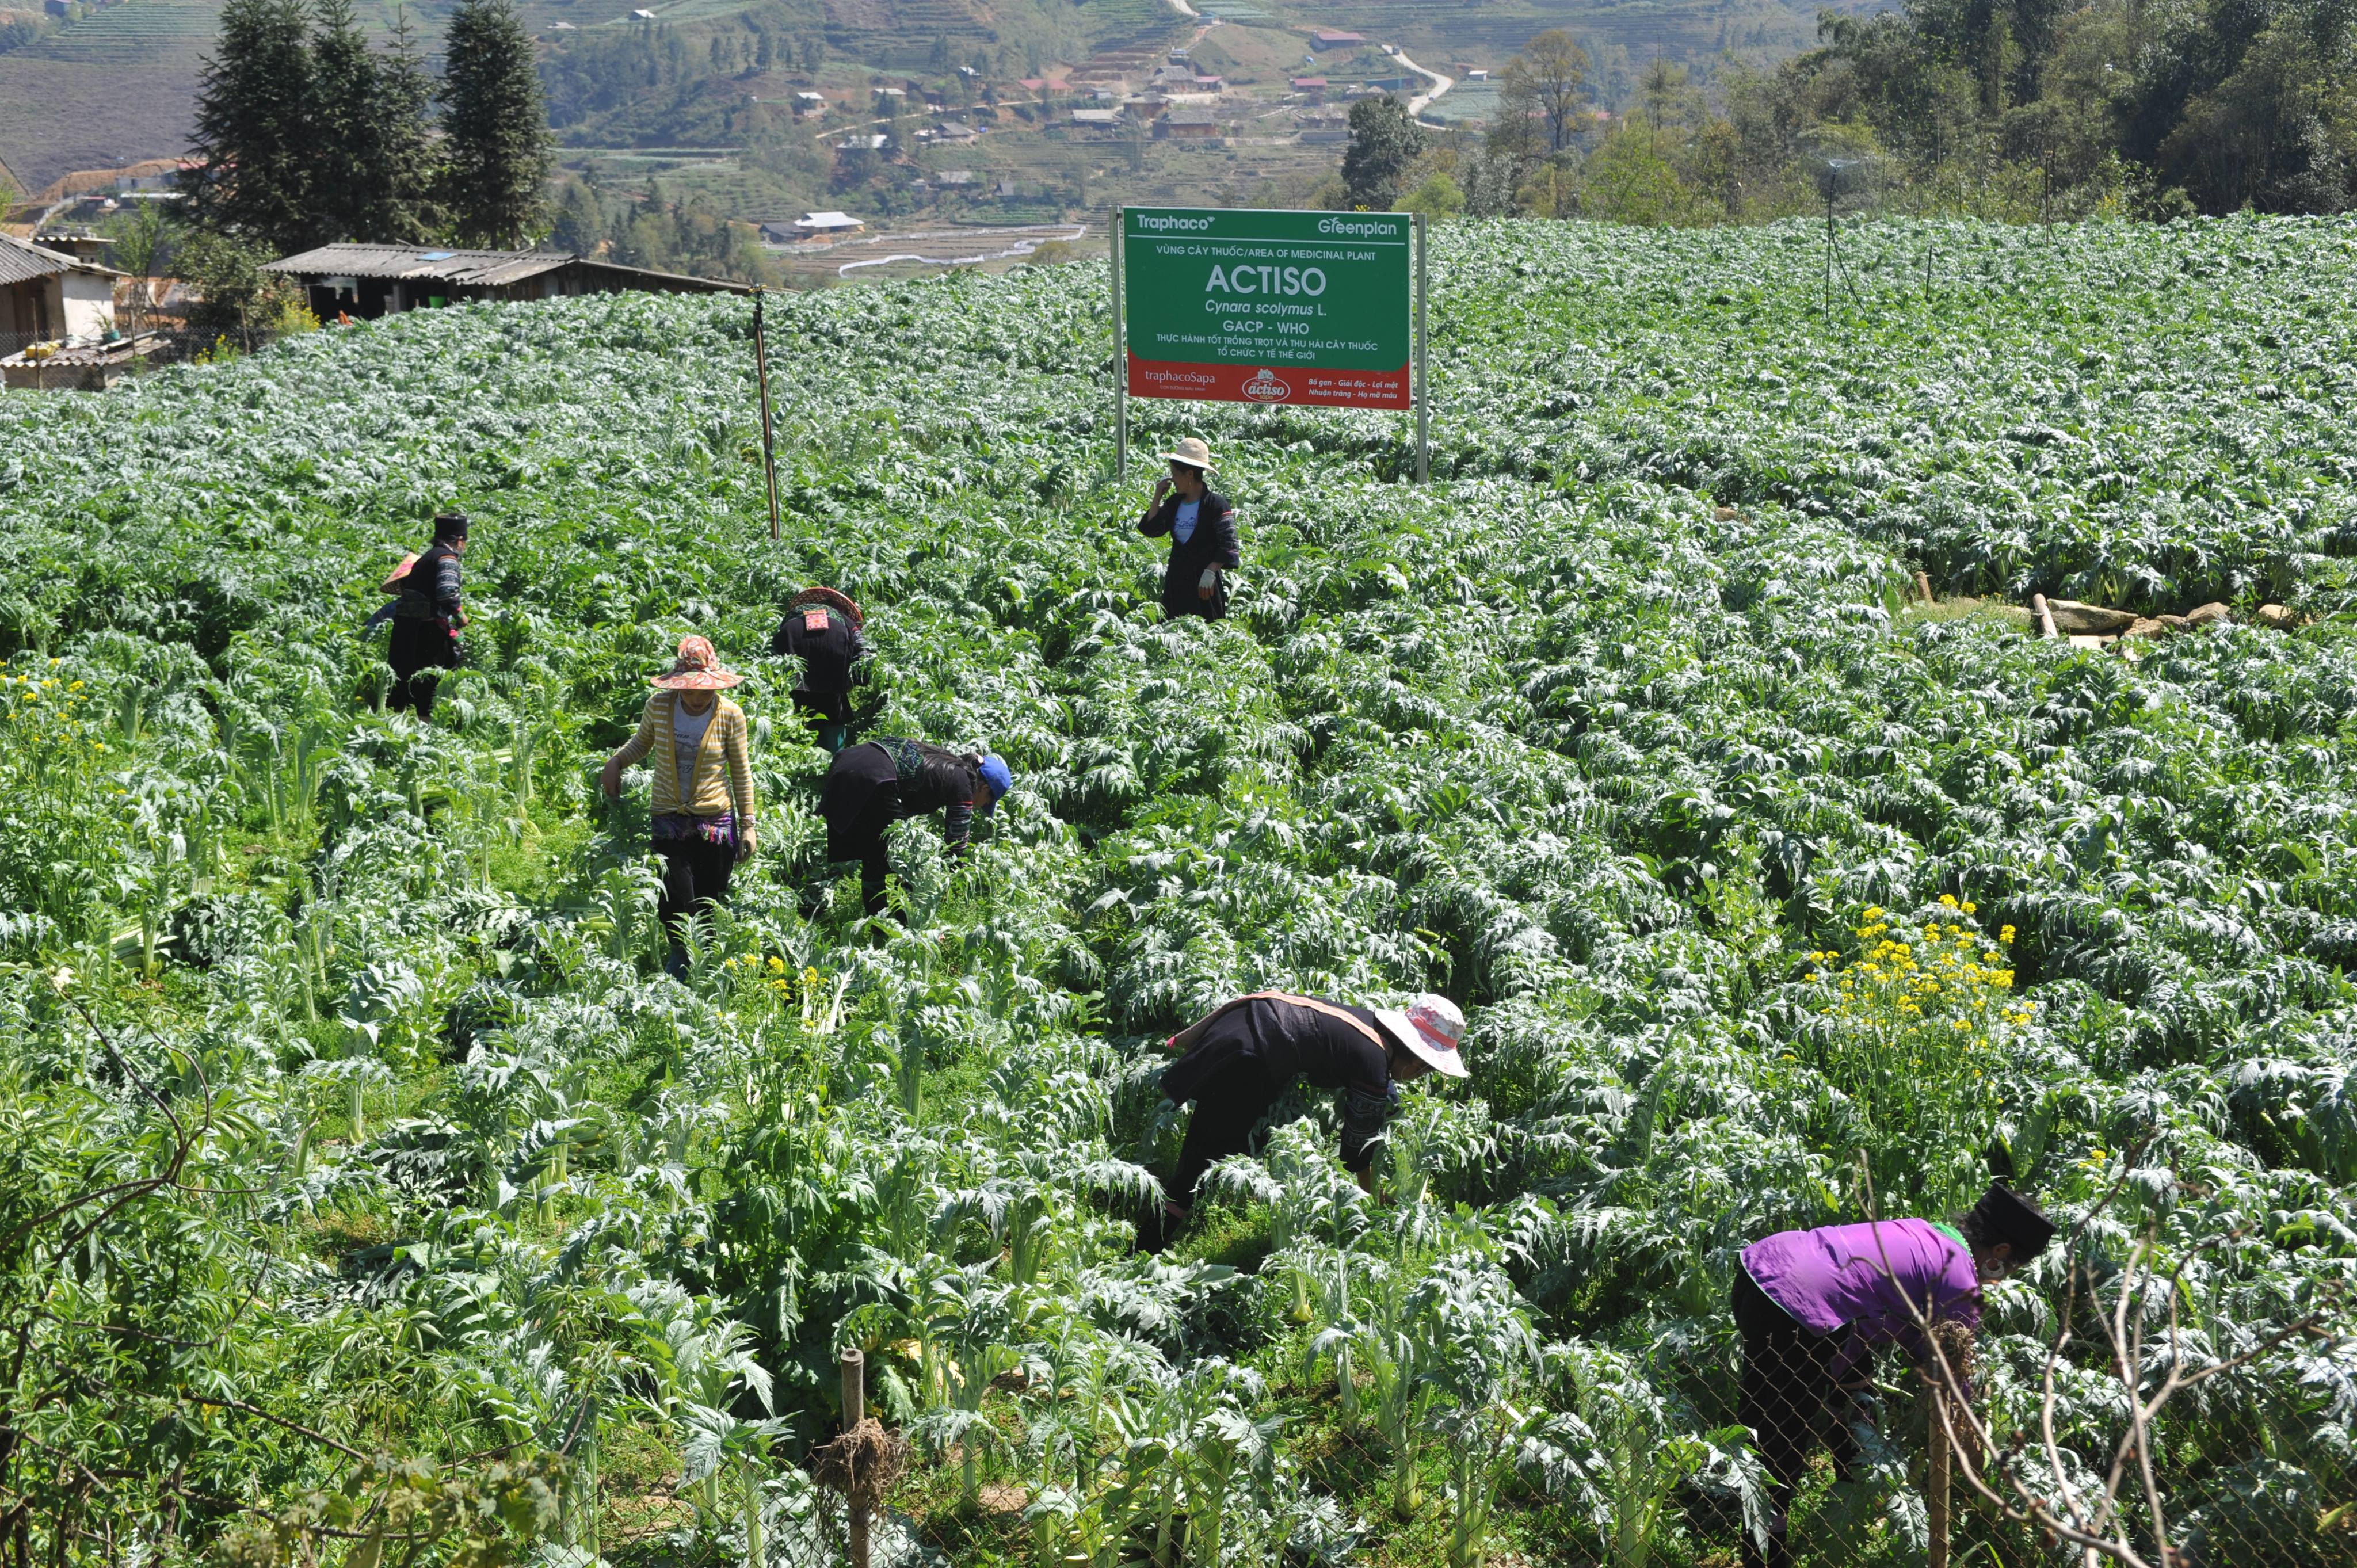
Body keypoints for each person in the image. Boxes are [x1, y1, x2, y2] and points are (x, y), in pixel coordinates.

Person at [1733, 1184, 2059, 1568]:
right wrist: (1975, 1456)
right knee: (1782, 1442)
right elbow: (1952, 1374)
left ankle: (1850, 1486)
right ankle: (1764, 1552)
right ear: (2000, 1254)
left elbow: (1880, 1317)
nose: (2003, 1278)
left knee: (1801, 1400)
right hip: (1798, 1304)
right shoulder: (1959, 1281)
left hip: (1760, 1268)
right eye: (2012, 1267)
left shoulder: (1929, 1232)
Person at [1145, 991, 1469, 1251]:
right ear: (1413, 1060)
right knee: (1202, 1158)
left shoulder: (1370, 1029)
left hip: (1250, 1025)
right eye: (1424, 1069)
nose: (1418, 1077)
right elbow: (1356, 1150)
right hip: (1249, 1053)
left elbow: (1382, 1087)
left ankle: (1178, 1220)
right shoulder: (1372, 1061)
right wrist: (1375, 1199)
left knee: (1223, 1144)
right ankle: (1144, 1251)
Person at [599, 636, 758, 978]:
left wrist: (748, 824)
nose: (698, 696)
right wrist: (616, 762)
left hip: (715, 820)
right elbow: (643, 742)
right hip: (668, 817)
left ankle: (707, 963)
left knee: (708, 896)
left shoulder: (730, 715)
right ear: (678, 686)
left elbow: (741, 772)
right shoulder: (660, 706)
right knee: (674, 896)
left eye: (705, 690)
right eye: (690, 690)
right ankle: (681, 956)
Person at [818, 738, 1012, 917]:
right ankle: (897, 923)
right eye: (986, 802)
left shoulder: (947, 762)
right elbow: (956, 846)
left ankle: (879, 925)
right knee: (909, 859)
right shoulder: (963, 785)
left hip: (848, 762)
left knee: (875, 854)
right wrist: (951, 879)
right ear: (985, 789)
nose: (981, 807)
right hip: (875, 777)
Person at [1135, 437, 1240, 621]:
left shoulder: (1216, 505)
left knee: (1205, 635)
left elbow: (1229, 545)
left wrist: (1210, 571)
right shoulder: (1175, 503)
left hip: (1204, 586)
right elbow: (1152, 529)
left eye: (1175, 474)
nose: (1172, 479)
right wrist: (1157, 496)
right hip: (1176, 583)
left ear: (1190, 474)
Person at [385, 511, 469, 719]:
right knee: (431, 683)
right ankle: (427, 732)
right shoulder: (447, 558)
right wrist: (461, 617)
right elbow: (448, 595)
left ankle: (394, 729)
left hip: (407, 628)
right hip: (428, 632)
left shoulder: (426, 558)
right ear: (459, 540)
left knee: (404, 680)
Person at [769, 586, 866, 754]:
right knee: (834, 708)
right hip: (834, 668)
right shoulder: (845, 620)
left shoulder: (795, 617)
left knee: (797, 707)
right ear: (840, 607)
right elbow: (864, 652)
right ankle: (833, 757)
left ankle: (798, 754)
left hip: (792, 640)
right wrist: (859, 680)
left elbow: (772, 651)